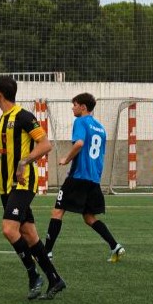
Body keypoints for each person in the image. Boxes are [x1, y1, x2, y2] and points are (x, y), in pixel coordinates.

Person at [0, 75, 65, 300]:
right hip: (6, 186)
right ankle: (55, 279)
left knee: (9, 229)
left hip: (23, 183)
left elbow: (45, 144)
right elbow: (4, 152)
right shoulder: (2, 121)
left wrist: (24, 162)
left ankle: (33, 275)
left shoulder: (24, 116)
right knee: (29, 234)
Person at [43, 93, 125, 263]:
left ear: (83, 107)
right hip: (93, 179)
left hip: (78, 176)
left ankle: (47, 252)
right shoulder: (100, 128)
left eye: (74, 105)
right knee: (89, 217)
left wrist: (66, 159)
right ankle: (115, 246)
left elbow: (79, 143)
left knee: (58, 211)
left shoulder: (80, 121)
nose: (72, 108)